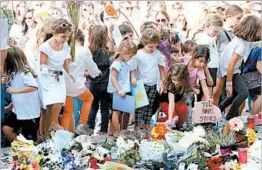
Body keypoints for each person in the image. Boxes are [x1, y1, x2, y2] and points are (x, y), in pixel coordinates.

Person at [214, 15, 261, 120]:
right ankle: (229, 117)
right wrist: (229, 83)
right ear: (252, 31)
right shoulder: (241, 46)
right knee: (244, 93)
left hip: (228, 70)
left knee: (235, 94)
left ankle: (219, 109)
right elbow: (231, 64)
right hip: (230, 71)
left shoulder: (237, 39)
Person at [37, 18, 75, 138]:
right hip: (47, 77)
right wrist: (48, 72)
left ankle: (52, 125)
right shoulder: (45, 46)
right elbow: (42, 64)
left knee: (59, 99)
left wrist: (70, 73)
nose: (66, 39)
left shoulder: (65, 46)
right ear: (54, 34)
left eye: (68, 36)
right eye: (63, 36)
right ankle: (47, 133)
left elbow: (64, 61)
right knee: (49, 106)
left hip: (59, 76)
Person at [61, 30, 101, 135]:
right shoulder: (84, 50)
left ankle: (65, 135)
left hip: (64, 84)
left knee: (67, 112)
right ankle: (82, 124)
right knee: (89, 98)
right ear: (81, 39)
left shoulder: (64, 49)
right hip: (76, 83)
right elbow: (91, 66)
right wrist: (96, 73)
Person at [129, 28, 165, 133]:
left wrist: (162, 81)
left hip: (153, 83)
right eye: (150, 46)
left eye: (155, 46)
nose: (152, 49)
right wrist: (133, 78)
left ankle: (147, 123)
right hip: (141, 83)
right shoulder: (138, 54)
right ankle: (137, 125)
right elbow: (133, 68)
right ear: (144, 43)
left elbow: (161, 67)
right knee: (140, 105)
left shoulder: (157, 53)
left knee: (150, 105)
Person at [2, 47, 40, 142]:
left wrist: (15, 90)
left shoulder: (25, 74)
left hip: (29, 112)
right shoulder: (13, 74)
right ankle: (22, 146)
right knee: (6, 129)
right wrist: (11, 106)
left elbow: (33, 87)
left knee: (30, 138)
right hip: (17, 110)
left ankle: (27, 147)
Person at [107, 37, 137, 137]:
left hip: (125, 89)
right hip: (117, 90)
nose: (131, 58)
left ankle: (124, 129)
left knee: (127, 110)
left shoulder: (125, 63)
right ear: (123, 53)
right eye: (130, 56)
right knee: (116, 111)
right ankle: (116, 130)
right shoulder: (117, 64)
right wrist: (119, 89)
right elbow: (113, 78)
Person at [87, 25, 112, 135]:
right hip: (106, 83)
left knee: (93, 106)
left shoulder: (89, 52)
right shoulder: (108, 52)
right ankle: (103, 130)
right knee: (105, 107)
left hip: (93, 83)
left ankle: (90, 127)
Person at [194, 14, 223, 98]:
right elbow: (203, 60)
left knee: (208, 94)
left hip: (212, 68)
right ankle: (203, 111)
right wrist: (208, 75)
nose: (216, 33)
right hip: (209, 69)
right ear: (207, 26)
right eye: (215, 30)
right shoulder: (204, 40)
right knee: (207, 95)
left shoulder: (209, 38)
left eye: (218, 31)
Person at [159, 64, 190, 128]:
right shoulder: (171, 85)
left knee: (183, 108)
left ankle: (180, 124)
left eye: (179, 80)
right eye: (174, 80)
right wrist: (170, 119)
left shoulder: (185, 83)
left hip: (177, 101)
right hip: (166, 102)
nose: (176, 82)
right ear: (170, 76)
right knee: (174, 117)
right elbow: (171, 102)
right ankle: (164, 121)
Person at [242, 42, 262, 115]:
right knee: (259, 97)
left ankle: (255, 117)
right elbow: (259, 65)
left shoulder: (257, 46)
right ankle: (254, 118)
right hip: (252, 75)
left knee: (255, 97)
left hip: (247, 74)